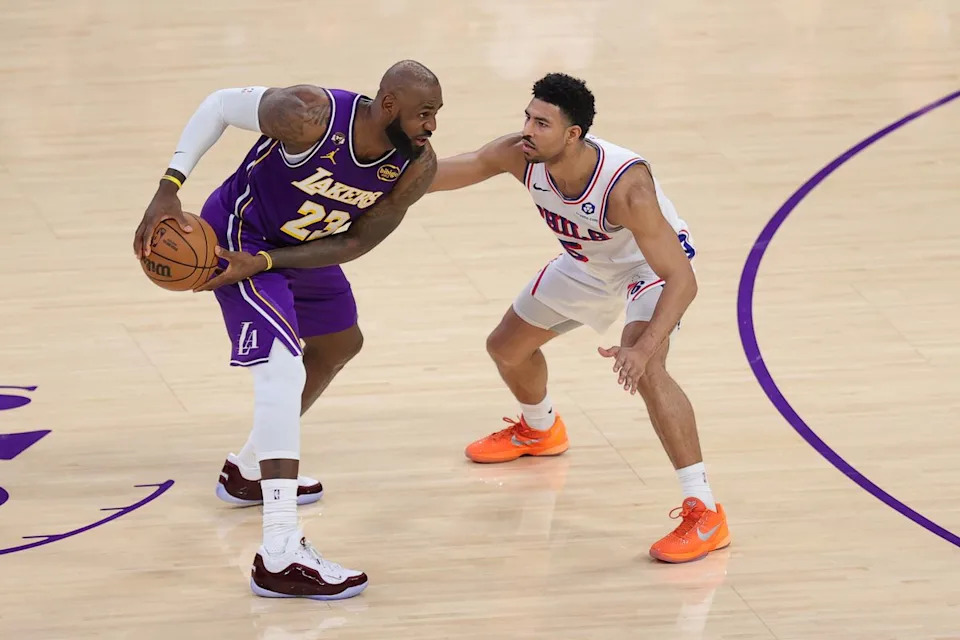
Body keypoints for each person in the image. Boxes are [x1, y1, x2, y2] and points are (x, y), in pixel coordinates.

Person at [133, 60, 441, 599]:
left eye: (436, 114)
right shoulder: (308, 114)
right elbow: (218, 105)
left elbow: (357, 241)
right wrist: (168, 187)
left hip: (292, 251)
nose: (431, 126)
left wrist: (272, 262)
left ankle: (248, 470)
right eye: (423, 114)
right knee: (281, 367)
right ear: (388, 105)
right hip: (239, 238)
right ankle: (279, 551)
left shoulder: (416, 165)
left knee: (340, 343)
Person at [426, 72, 729, 564]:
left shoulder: (627, 190)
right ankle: (541, 429)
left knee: (650, 371)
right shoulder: (522, 154)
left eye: (541, 123)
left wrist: (642, 348)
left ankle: (706, 512)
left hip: (649, 269)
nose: (527, 129)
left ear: (573, 134)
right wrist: (382, 179)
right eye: (527, 117)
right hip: (588, 263)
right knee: (505, 348)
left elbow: (682, 280)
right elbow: (461, 167)